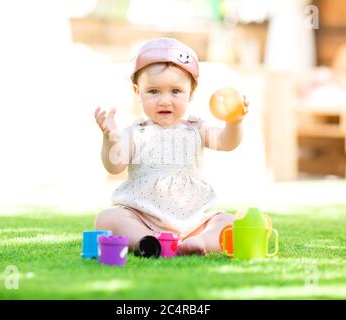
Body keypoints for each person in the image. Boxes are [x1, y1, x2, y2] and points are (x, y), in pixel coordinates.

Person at [93, 38, 249, 255]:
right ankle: (147, 242)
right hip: (143, 217)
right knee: (107, 218)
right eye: (154, 91)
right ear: (138, 92)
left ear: (191, 93)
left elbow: (226, 142)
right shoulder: (134, 132)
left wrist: (234, 122)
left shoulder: (197, 128)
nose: (165, 100)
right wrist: (110, 137)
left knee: (229, 222)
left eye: (175, 91)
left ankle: (199, 242)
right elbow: (114, 165)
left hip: (194, 221)